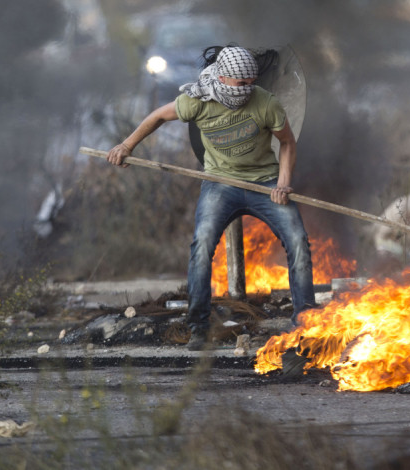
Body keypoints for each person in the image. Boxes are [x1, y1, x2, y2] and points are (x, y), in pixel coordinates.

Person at [107, 45, 317, 350]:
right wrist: (126, 146)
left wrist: (283, 183)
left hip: (264, 181)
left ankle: (304, 323)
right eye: (240, 84)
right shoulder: (197, 100)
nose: (246, 90)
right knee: (202, 245)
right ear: (221, 78)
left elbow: (286, 143)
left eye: (250, 83)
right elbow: (157, 117)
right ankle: (199, 327)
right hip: (220, 184)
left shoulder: (265, 102)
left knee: (298, 241)